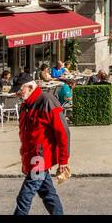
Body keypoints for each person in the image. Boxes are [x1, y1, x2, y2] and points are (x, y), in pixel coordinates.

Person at [14, 80, 70, 215]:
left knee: (24, 197)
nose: (19, 93)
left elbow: (63, 131)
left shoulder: (47, 100)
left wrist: (63, 159)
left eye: (21, 89)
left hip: (40, 159)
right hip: (33, 156)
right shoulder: (25, 105)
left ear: (30, 87)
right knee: (48, 195)